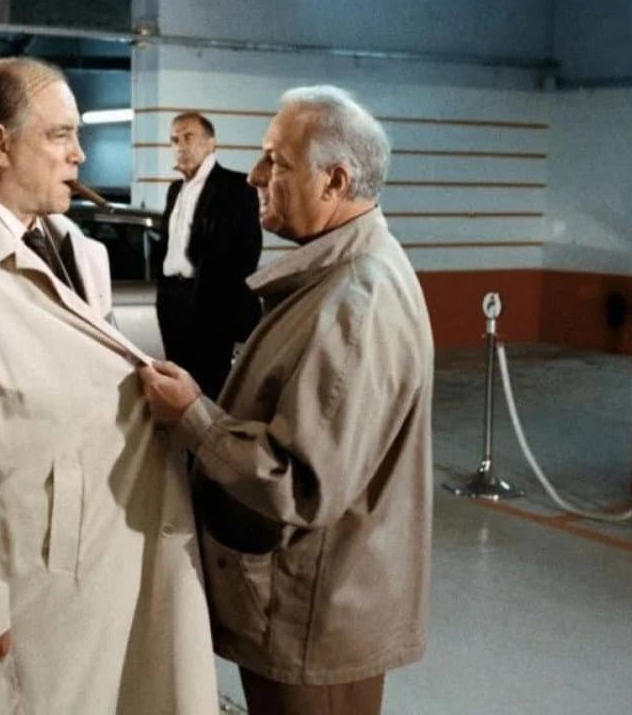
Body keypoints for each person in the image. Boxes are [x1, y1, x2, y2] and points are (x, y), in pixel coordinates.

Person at [0, 57, 216, 714]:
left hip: (98, 564)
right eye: (60, 135)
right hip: (17, 582)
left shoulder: (69, 244)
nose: (80, 154)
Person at [140, 86, 434, 715]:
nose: (255, 176)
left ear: (335, 181)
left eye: (276, 161)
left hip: (315, 613)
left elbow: (299, 483)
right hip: (314, 603)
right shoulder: (344, 276)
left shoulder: (355, 304)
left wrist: (194, 417)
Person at [154, 111, 262, 398]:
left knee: (209, 388)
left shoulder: (236, 186)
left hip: (211, 303)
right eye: (175, 140)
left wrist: (225, 305)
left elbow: (247, 253)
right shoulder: (175, 189)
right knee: (178, 382)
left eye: (188, 137)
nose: (180, 146)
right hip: (173, 299)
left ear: (212, 142)